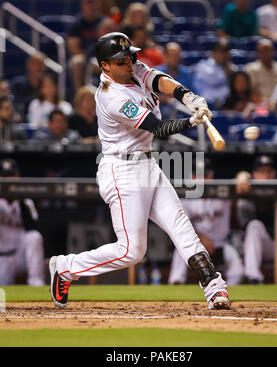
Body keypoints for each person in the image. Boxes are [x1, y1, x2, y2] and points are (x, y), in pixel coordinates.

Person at [49, 32, 231, 310]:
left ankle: (214, 287)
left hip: (147, 164)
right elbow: (157, 128)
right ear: (104, 66)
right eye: (120, 61)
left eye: (130, 57)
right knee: (131, 251)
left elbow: (158, 80)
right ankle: (66, 267)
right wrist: (191, 121)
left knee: (181, 226)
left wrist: (188, 96)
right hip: (121, 171)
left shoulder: (133, 70)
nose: (129, 63)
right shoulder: (111, 97)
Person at [168, 159, 244, 286]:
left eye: (205, 175)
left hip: (220, 245)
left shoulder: (222, 192)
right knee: (180, 251)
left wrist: (243, 176)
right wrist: (202, 238)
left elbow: (240, 179)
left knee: (238, 271)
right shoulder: (185, 197)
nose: (202, 179)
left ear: (211, 176)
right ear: (191, 176)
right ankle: (175, 286)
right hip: (195, 245)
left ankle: (226, 293)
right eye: (198, 175)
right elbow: (180, 227)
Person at [235, 155, 277, 283]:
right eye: (261, 172)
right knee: (255, 226)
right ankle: (254, 278)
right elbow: (246, 225)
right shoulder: (248, 189)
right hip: (266, 245)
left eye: (269, 171)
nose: (266, 175)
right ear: (254, 174)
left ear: (274, 173)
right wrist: (242, 175)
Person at [0, 159, 45, 286]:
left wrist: (20, 198)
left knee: (34, 237)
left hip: (21, 255)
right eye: (5, 176)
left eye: (12, 176)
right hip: (2, 258)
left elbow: (33, 227)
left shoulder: (26, 201)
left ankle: (36, 282)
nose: (9, 180)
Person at [67, 0, 103, 91]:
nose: (91, 6)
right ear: (83, 5)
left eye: (93, 2)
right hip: (84, 57)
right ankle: (81, 96)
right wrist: (89, 60)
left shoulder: (104, 22)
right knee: (77, 61)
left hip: (102, 56)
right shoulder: (76, 24)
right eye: (88, 2)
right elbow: (74, 49)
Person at [192, 40, 237, 109]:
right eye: (221, 52)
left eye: (226, 52)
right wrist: (227, 74)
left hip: (227, 105)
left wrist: (232, 74)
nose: (224, 55)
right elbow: (213, 81)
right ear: (214, 53)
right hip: (206, 104)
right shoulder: (203, 66)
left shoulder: (231, 68)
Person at [156, 42, 194, 119]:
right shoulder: (156, 72)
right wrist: (167, 99)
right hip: (160, 115)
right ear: (165, 56)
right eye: (172, 55)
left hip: (183, 113)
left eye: (177, 55)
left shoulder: (186, 73)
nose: (175, 58)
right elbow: (148, 95)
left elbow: (192, 93)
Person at [10, 52, 46, 120]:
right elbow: (15, 104)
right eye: (35, 64)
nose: (38, 68)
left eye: (41, 64)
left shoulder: (48, 85)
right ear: (28, 65)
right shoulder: (18, 84)